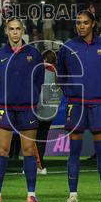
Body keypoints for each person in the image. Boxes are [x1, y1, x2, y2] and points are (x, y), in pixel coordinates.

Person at [56, 10, 101, 202]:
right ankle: (73, 195)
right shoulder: (68, 47)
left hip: (99, 104)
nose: (81, 26)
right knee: (74, 151)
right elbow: (61, 75)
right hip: (75, 105)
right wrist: (71, 93)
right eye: (78, 23)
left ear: (93, 24)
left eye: (85, 23)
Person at [0, 18, 44, 202]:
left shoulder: (34, 54)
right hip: (5, 108)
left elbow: (39, 80)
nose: (14, 32)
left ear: (23, 31)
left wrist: (30, 96)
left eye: (18, 29)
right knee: (2, 151)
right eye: (11, 29)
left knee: (28, 151)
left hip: (27, 109)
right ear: (6, 31)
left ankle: (31, 193)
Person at [33, 49, 61, 177]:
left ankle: (39, 166)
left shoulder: (43, 71)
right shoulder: (59, 72)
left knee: (33, 139)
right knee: (42, 139)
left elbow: (38, 90)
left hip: (40, 109)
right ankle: (39, 165)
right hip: (52, 109)